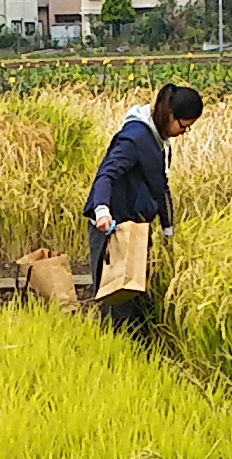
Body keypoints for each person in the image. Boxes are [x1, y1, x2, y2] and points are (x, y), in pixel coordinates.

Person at [84, 82, 200, 330]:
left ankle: (136, 354)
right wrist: (102, 210)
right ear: (170, 115)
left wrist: (168, 228)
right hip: (113, 229)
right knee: (116, 302)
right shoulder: (134, 138)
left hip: (136, 229)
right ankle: (113, 356)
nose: (183, 132)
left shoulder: (159, 142)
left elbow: (161, 186)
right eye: (183, 126)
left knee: (137, 300)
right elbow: (106, 175)